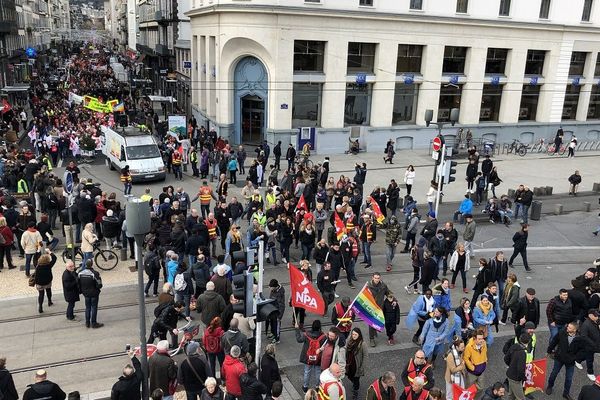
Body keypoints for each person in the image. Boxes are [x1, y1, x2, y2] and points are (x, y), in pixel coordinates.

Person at [546, 321, 587, 400]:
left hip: (570, 361)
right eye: (568, 326)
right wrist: (549, 350)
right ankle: (549, 386)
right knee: (554, 373)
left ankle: (566, 393)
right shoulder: (562, 332)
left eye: (569, 327)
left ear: (575, 330)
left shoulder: (580, 338)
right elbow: (554, 341)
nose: (567, 328)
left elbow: (582, 349)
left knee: (569, 378)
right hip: (559, 358)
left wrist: (576, 357)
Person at [295, 319, 327, 392]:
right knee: (318, 372)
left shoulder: (306, 334)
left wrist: (297, 329)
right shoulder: (323, 336)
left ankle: (305, 387)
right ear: (320, 327)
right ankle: (317, 387)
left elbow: (299, 340)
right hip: (318, 357)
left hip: (308, 357)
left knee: (307, 371)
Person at [77, 259, 104, 328]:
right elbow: (99, 285)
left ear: (85, 264)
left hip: (85, 293)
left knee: (87, 307)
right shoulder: (95, 273)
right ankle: (94, 323)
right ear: (92, 264)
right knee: (94, 307)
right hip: (94, 293)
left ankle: (87, 323)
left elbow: (78, 283)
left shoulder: (80, 272)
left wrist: (81, 291)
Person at [504, 333, 530, 400]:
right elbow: (520, 369)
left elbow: (506, 358)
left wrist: (511, 365)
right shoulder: (522, 353)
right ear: (528, 342)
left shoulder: (514, 346)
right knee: (521, 398)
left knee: (511, 395)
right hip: (515, 379)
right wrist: (523, 378)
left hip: (509, 374)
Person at [345, 327, 367, 400]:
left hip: (357, 366)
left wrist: (362, 367)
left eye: (355, 334)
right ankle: (354, 384)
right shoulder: (349, 341)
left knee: (356, 379)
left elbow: (365, 356)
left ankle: (355, 392)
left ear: (359, 335)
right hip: (349, 364)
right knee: (349, 376)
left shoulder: (362, 344)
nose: (354, 336)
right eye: (353, 334)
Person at [577, 309, 600, 381]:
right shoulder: (586, 325)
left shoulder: (596, 321)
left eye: (597, 315)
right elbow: (584, 336)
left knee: (586, 355)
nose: (597, 317)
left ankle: (578, 360)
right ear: (590, 315)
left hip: (596, 343)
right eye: (595, 316)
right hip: (589, 345)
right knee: (590, 359)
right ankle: (590, 373)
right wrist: (592, 344)